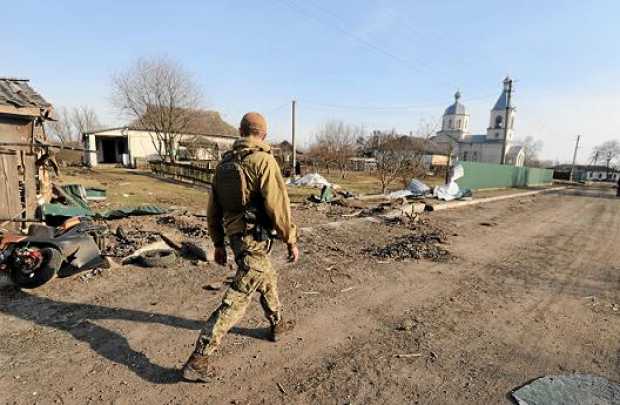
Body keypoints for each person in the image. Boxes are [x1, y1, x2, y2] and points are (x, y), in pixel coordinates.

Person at [182, 112, 299, 382]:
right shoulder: (264, 161)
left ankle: (278, 323)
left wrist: (218, 243)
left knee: (266, 277)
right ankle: (199, 358)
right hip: (254, 239)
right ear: (264, 135)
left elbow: (213, 209)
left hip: (236, 238)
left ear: (239, 130)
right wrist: (290, 238)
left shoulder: (224, 165)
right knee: (238, 297)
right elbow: (278, 207)